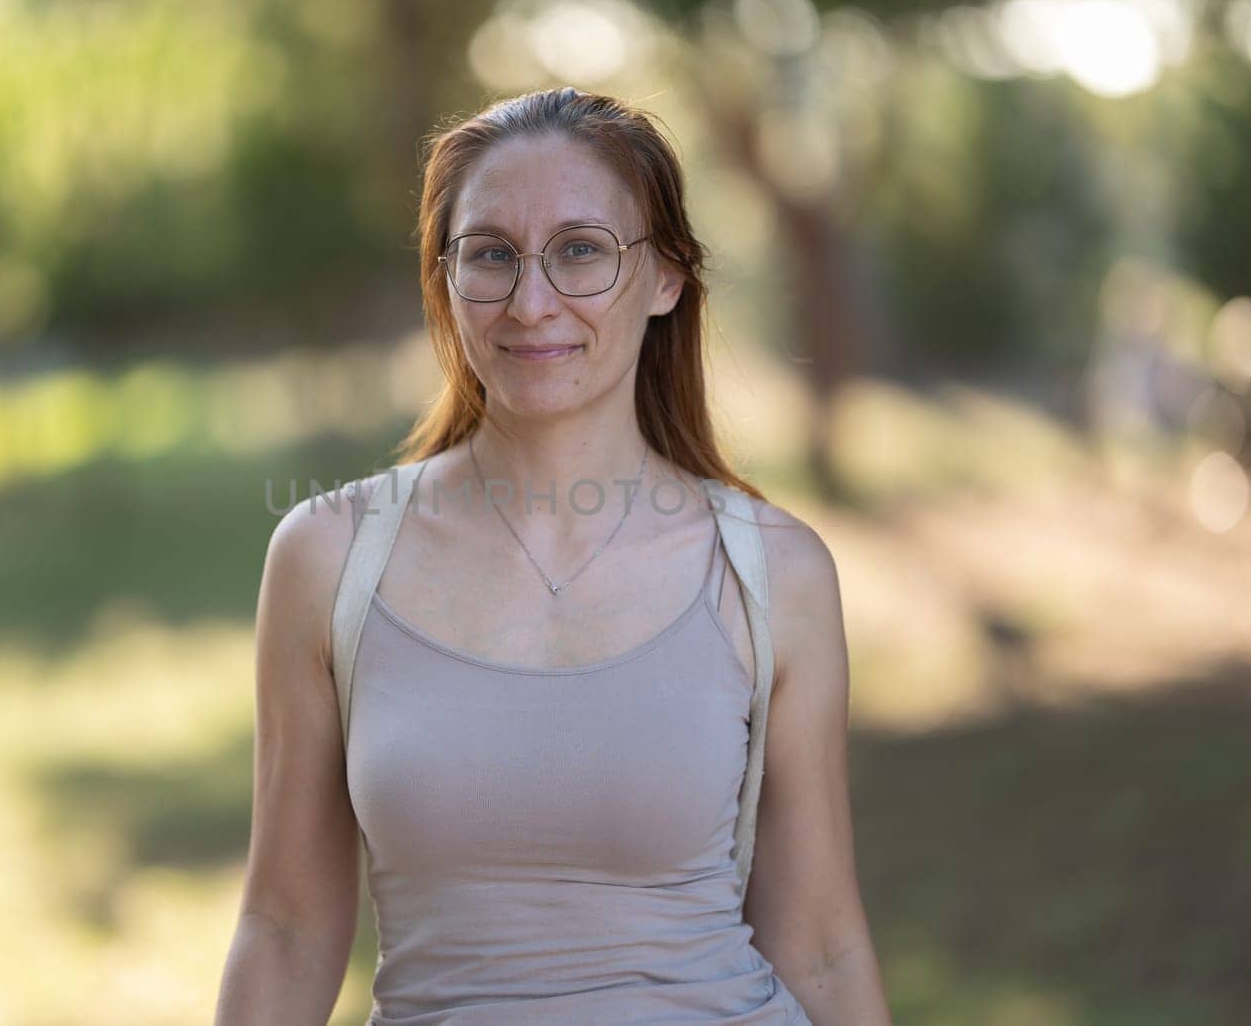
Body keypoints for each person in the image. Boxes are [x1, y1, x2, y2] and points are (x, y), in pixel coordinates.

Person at [214, 87, 891, 1025]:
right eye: (490, 255)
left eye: (581, 251)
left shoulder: (772, 572)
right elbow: (285, 927)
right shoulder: (328, 558)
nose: (532, 303)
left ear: (665, 279)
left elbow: (819, 942)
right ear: (445, 280)